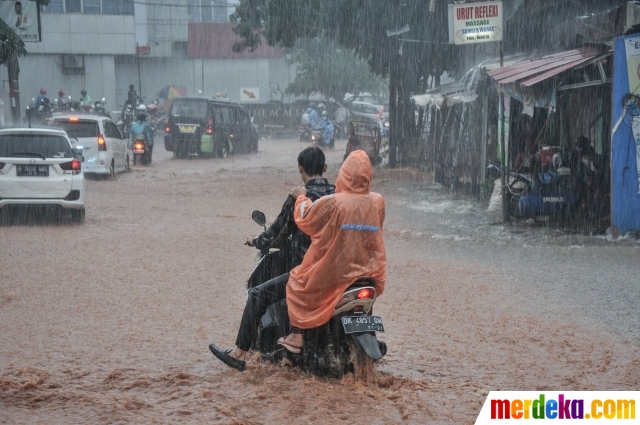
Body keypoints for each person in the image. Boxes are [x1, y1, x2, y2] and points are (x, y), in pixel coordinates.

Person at [209, 147, 335, 371]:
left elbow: (278, 231)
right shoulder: (338, 195)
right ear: (325, 168)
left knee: (257, 295)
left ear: (300, 169)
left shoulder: (300, 196)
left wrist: (256, 241)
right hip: (336, 272)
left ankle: (239, 353)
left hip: (306, 274)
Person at [277, 149, 386, 353]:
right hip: (368, 270)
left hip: (337, 272)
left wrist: (301, 197)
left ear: (344, 173)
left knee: (296, 282)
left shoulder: (335, 202)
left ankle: (297, 336)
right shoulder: (377, 201)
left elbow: (305, 219)